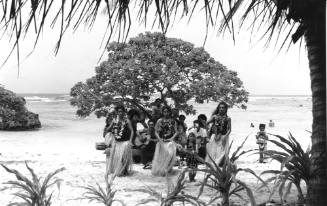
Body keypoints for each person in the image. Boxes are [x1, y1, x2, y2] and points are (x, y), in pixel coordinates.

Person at [105, 105, 134, 177]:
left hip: (125, 142)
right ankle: (121, 170)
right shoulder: (114, 120)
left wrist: (130, 141)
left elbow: (132, 131)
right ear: (117, 112)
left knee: (124, 157)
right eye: (119, 111)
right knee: (118, 158)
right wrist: (108, 120)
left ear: (124, 112)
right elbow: (108, 129)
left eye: (121, 111)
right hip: (117, 142)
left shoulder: (127, 121)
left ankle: (125, 170)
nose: (120, 113)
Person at [152, 106, 178, 176]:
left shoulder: (173, 121)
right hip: (161, 142)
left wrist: (171, 138)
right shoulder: (159, 120)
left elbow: (176, 132)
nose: (166, 113)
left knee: (169, 155)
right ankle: (162, 171)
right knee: (161, 158)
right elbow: (156, 131)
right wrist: (159, 139)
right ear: (162, 112)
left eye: (167, 111)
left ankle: (168, 170)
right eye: (164, 111)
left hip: (169, 142)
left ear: (170, 112)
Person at [206, 102, 231, 167]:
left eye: (223, 107)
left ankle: (220, 163)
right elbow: (206, 123)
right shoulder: (215, 117)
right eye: (220, 107)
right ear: (218, 108)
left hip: (223, 136)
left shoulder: (228, 118)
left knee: (222, 151)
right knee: (213, 150)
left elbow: (229, 129)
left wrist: (225, 137)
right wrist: (208, 132)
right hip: (215, 135)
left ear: (226, 109)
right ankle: (214, 163)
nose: (221, 109)